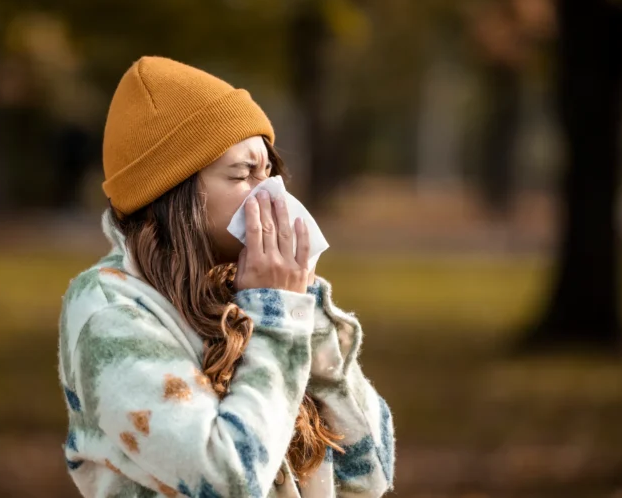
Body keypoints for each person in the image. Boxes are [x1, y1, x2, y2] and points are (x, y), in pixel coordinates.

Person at [58, 56, 395, 498]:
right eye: (243, 174)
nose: (272, 194)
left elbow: (367, 474)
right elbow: (228, 478)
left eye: (268, 172)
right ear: (173, 193)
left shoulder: (245, 292)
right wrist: (277, 317)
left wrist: (304, 311)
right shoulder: (109, 311)